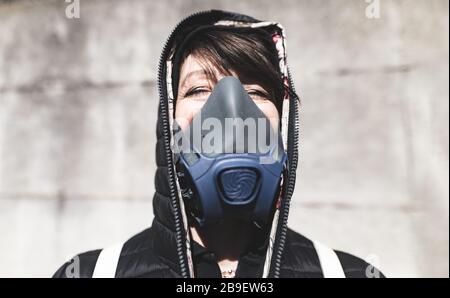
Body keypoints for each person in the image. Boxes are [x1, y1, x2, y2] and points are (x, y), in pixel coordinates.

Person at [53, 9, 384, 278]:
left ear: (282, 123)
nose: (231, 109)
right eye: (198, 90)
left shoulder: (346, 273)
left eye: (255, 92)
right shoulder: (93, 273)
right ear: (169, 120)